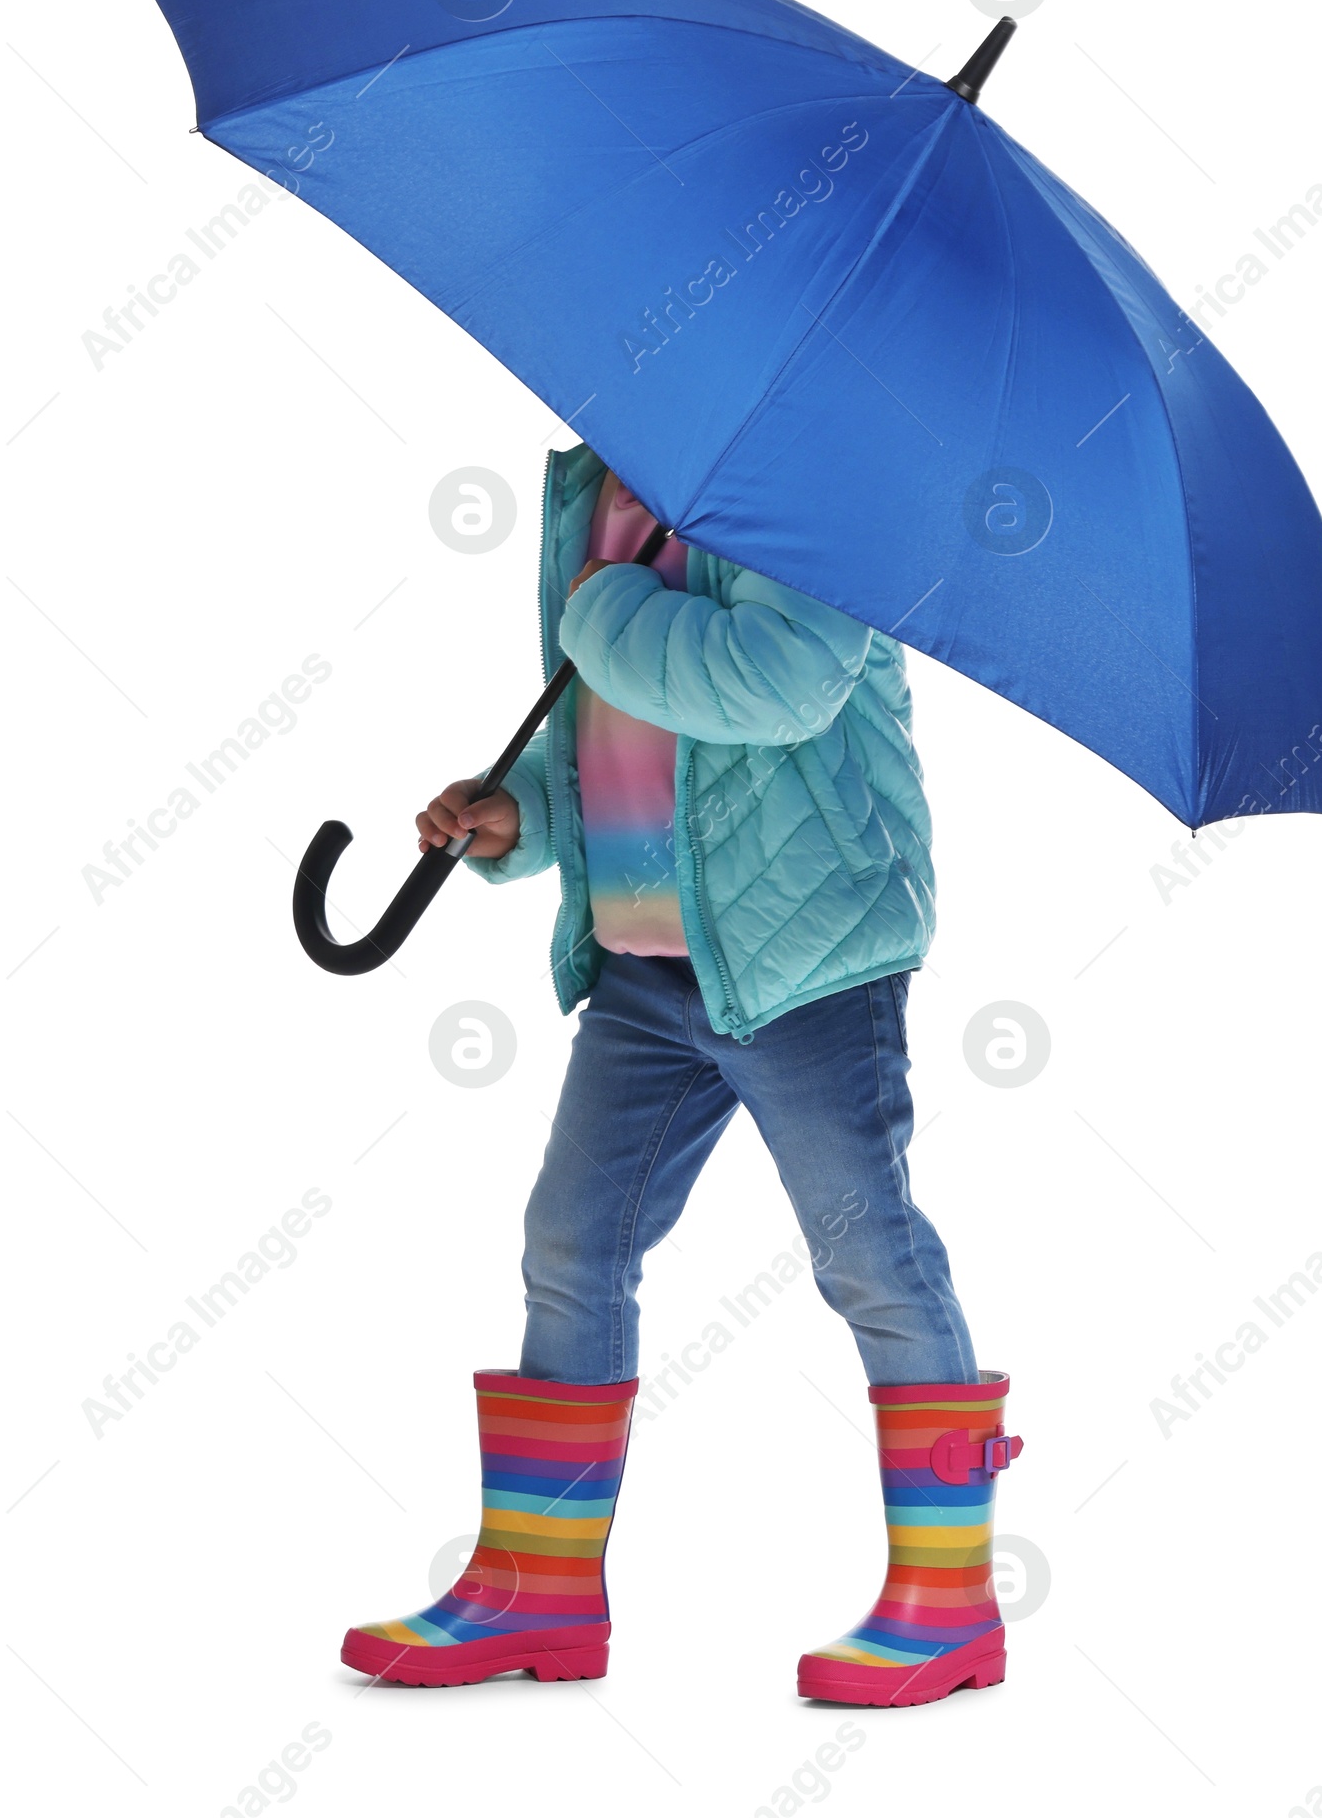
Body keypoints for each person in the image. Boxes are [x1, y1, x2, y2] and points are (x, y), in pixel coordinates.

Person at [340, 442, 1021, 1706]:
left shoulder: (822, 486)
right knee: (572, 1239)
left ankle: (950, 1599)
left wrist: (600, 609)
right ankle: (537, 1584)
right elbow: (612, 721)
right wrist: (523, 814)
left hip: (804, 959)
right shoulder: (598, 487)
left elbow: (780, 684)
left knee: (864, 1246)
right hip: (646, 962)